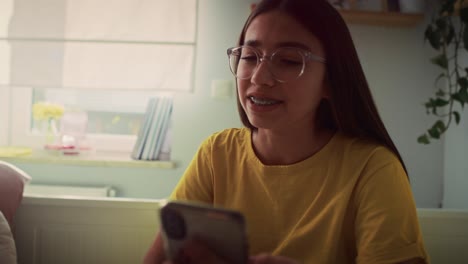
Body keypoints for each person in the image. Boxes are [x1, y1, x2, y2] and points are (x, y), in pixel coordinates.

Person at [144, 0, 429, 263]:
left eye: (290, 60)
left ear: (331, 81)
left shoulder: (373, 169)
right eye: (250, 56)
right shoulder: (216, 153)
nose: (259, 77)